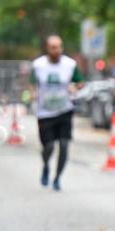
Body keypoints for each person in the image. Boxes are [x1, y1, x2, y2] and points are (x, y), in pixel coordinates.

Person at [31, 35, 83, 191]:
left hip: (64, 110)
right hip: (45, 112)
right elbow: (31, 84)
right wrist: (32, 92)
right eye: (54, 47)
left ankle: (57, 178)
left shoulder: (70, 64)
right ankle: (46, 165)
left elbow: (80, 82)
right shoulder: (38, 65)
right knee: (48, 147)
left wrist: (75, 87)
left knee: (64, 145)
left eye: (60, 47)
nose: (57, 50)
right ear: (47, 49)